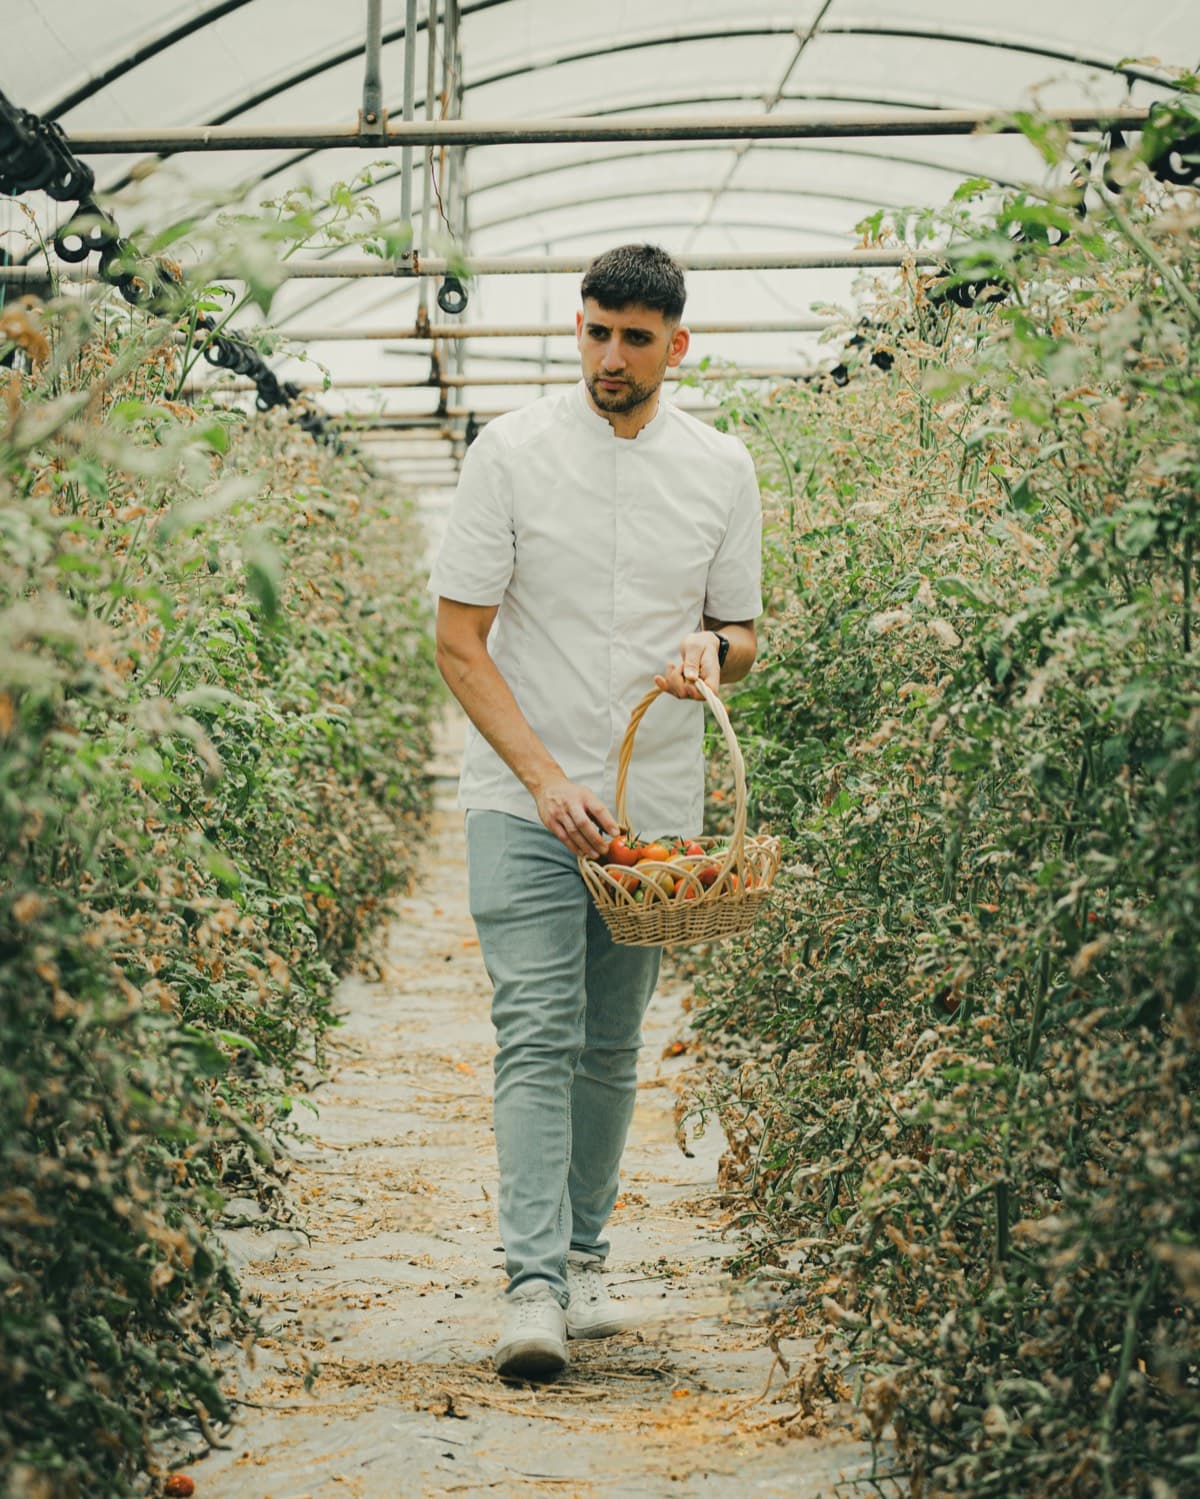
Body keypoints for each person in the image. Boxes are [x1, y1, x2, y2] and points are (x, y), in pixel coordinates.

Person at [429, 243, 763, 1379]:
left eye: (634, 337)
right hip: (523, 794)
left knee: (612, 1042)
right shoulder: (510, 455)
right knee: (536, 1025)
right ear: (577, 328)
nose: (609, 355)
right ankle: (531, 1283)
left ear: (679, 345)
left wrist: (710, 650)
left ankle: (584, 1249)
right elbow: (458, 642)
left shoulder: (722, 467)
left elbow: (744, 636)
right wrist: (540, 777)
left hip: (652, 808)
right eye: (594, 330)